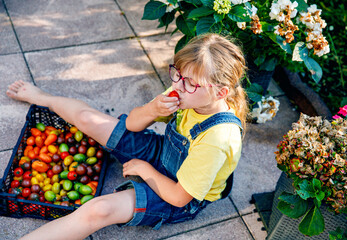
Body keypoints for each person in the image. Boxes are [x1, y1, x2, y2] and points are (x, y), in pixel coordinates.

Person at [6, 33, 248, 240]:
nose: (178, 86)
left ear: (221, 92)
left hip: (181, 196)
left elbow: (178, 197)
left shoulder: (217, 139)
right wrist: (154, 109)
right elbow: (132, 124)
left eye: (191, 83)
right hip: (164, 154)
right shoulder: (184, 90)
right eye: (177, 74)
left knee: (98, 210)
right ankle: (42, 98)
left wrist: (145, 171)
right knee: (89, 119)